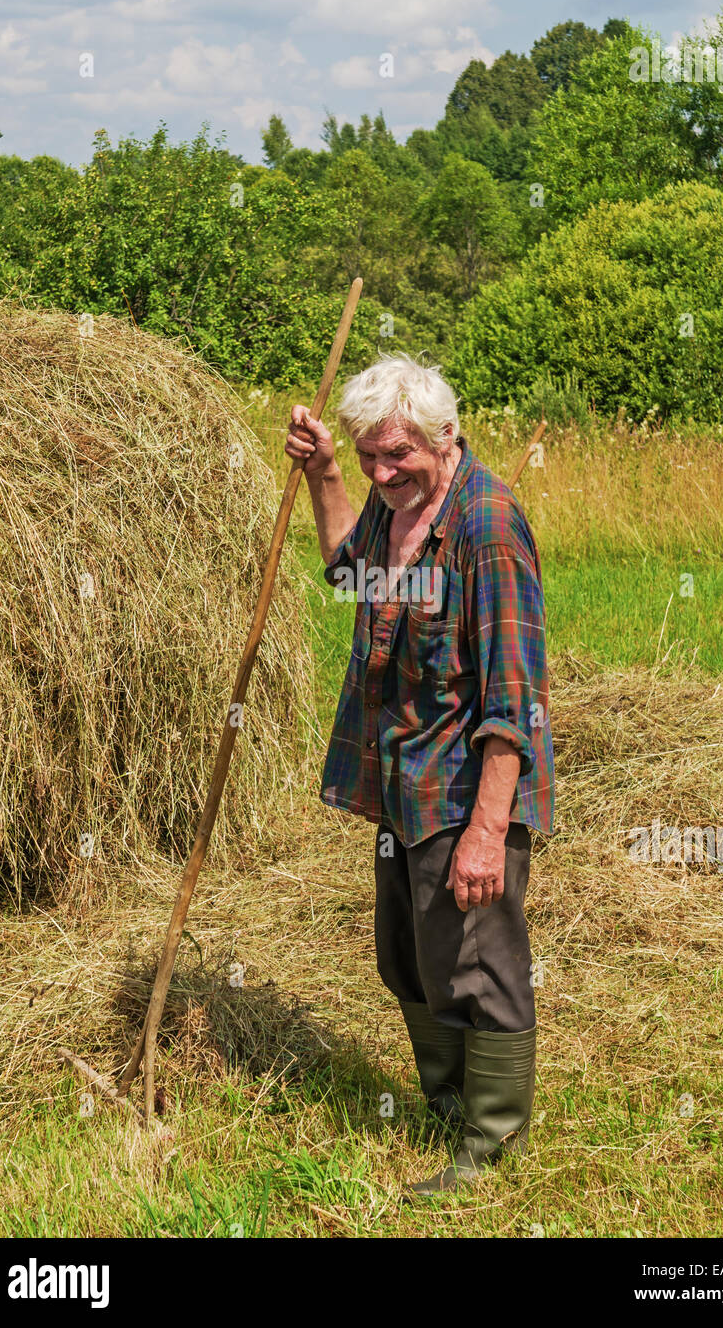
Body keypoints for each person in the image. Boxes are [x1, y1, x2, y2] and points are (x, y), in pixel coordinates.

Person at [285, 352, 555, 1197]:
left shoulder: (487, 526)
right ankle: (445, 1105)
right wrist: (325, 472)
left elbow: (513, 699)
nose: (381, 470)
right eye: (367, 455)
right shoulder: (393, 505)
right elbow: (346, 570)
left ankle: (488, 1144)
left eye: (394, 454)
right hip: (399, 784)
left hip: (463, 791)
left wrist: (485, 833)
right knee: (407, 958)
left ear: (444, 436)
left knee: (480, 964)